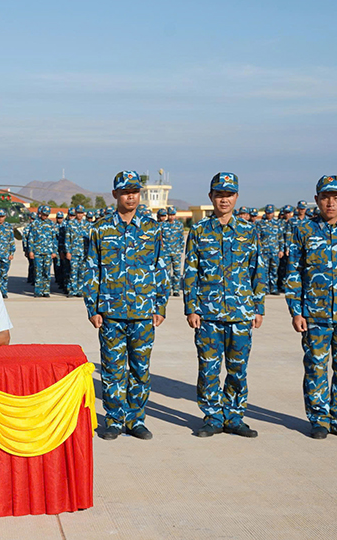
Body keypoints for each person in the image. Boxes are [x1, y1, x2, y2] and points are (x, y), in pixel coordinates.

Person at [83, 171, 168, 441]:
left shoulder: (152, 228)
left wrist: (161, 306)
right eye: (125, 192)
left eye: (135, 191)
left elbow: (161, 268)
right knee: (112, 370)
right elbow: (91, 269)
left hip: (143, 312)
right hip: (111, 312)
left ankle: (136, 420)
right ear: (115, 194)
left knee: (140, 370)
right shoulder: (100, 229)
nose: (131, 196)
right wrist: (93, 308)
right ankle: (114, 419)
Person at [285, 175, 337, 440]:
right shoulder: (304, 230)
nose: (330, 203)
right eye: (325, 197)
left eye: (335, 197)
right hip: (315, 315)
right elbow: (294, 272)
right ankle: (319, 420)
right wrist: (296, 311)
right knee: (316, 369)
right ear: (316, 200)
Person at [183, 173, 265, 439]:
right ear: (211, 197)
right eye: (219, 195)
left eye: (229, 195)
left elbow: (257, 270)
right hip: (208, 313)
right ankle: (212, 417)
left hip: (240, 312)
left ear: (236, 197)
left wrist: (258, 307)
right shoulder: (199, 231)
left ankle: (235, 417)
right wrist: (191, 308)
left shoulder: (248, 231)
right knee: (208, 369)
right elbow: (191, 271)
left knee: (237, 369)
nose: (224, 199)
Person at [29, 205, 58, 297]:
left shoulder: (51, 224)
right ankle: (38, 291)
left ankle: (46, 291)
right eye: (44, 214)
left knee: (46, 272)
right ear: (40, 213)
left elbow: (54, 239)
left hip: (48, 252)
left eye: (47, 215)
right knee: (38, 272)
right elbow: (31, 238)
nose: (45, 216)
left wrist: (54, 251)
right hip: (37, 252)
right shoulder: (35, 223)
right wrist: (31, 251)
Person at [163, 206, 185, 297]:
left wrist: (181, 250)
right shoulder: (163, 225)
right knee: (167, 272)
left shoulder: (179, 225)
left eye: (173, 215)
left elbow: (181, 238)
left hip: (176, 252)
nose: (171, 217)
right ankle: (167, 290)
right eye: (170, 215)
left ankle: (176, 289)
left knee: (177, 272)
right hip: (166, 253)